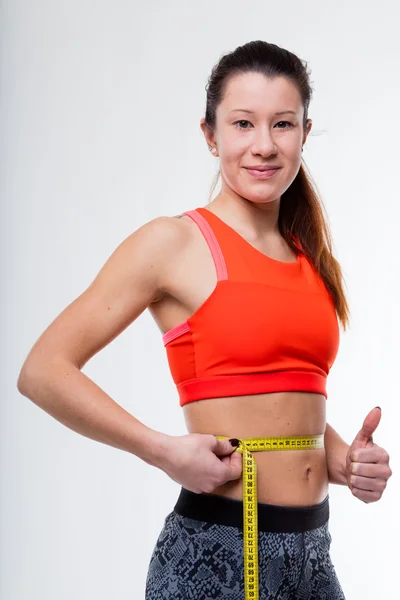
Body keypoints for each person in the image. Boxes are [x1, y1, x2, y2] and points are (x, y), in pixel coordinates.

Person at [17, 40, 392, 600]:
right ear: (210, 135)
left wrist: (346, 460)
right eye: (243, 124)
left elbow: (281, 404)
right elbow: (43, 370)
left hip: (313, 558)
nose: (263, 145)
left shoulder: (310, 257)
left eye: (282, 124)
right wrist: (162, 449)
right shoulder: (173, 243)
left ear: (305, 134)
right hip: (217, 556)